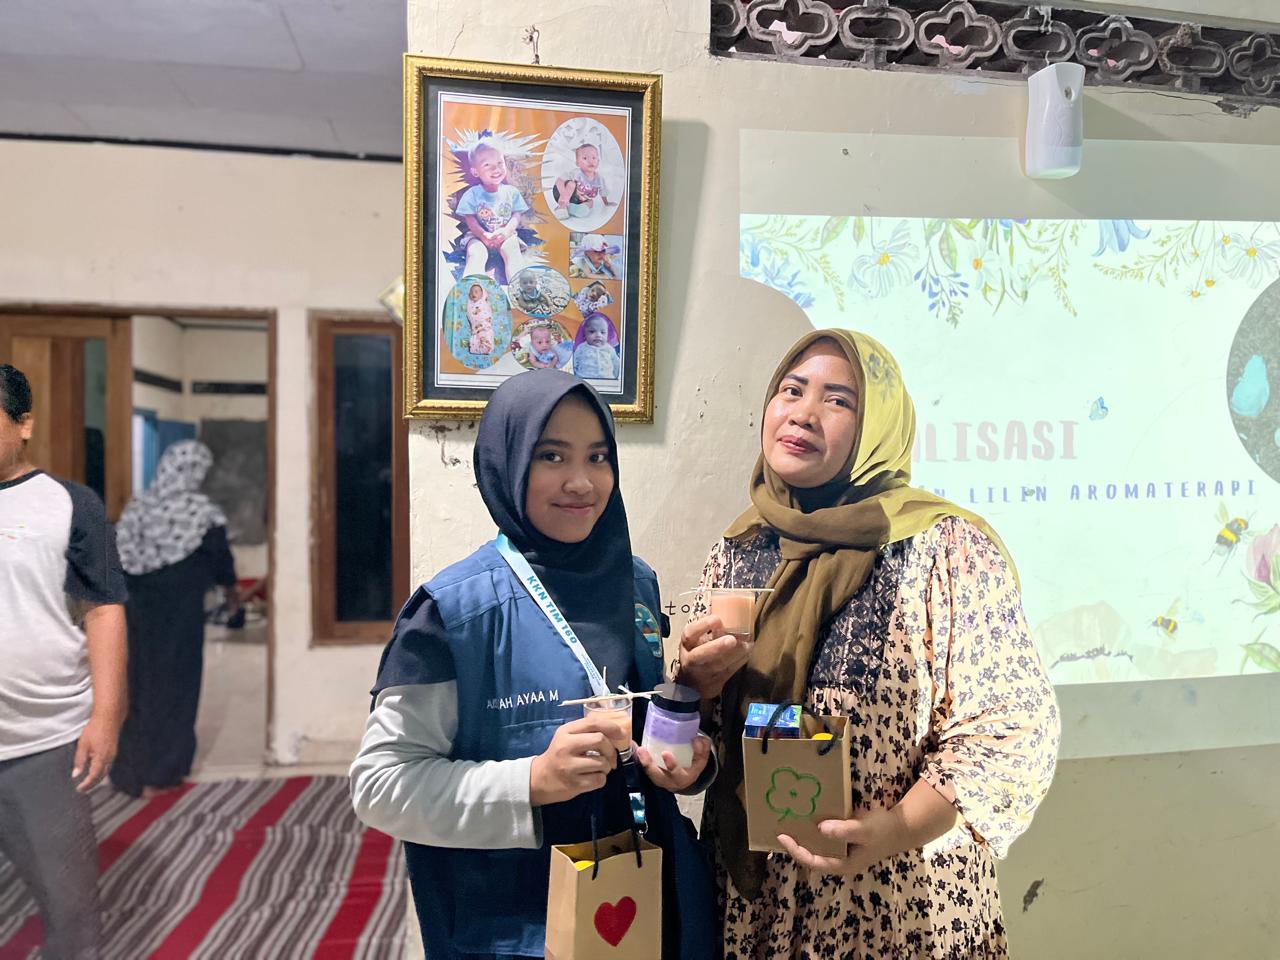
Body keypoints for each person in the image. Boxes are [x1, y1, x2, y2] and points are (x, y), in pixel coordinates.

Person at [677, 330, 1060, 958]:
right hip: (758, 903)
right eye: (791, 390)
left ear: (878, 427)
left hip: (898, 898)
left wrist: (894, 829)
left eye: (838, 400)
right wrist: (694, 690)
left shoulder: (944, 548)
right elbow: (710, 743)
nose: (804, 413)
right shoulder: (741, 548)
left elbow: (1009, 728)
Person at [350, 369, 716, 960]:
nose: (582, 481)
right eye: (551, 455)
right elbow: (381, 786)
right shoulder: (451, 615)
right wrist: (532, 782)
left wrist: (687, 764)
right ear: (508, 463)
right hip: (517, 924)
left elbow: (641, 722)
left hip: (650, 900)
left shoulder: (635, 582)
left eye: (598, 456)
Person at [0, 363, 127, 959]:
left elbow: (103, 610)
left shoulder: (69, 505)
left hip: (43, 741)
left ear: (24, 423)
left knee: (70, 910)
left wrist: (106, 716)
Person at [110, 440, 238, 798]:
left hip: (139, 609)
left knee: (140, 682)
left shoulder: (139, 506)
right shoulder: (202, 512)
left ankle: (130, 770)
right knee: (177, 685)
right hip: (181, 615)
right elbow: (222, 564)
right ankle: (165, 769)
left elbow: (118, 555)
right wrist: (231, 594)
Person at [456, 140, 529, 279]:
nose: (496, 169)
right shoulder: (472, 194)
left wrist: (507, 231)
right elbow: (470, 219)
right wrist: (483, 235)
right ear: (475, 171)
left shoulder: (511, 192)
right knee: (476, 254)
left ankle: (519, 287)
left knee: (512, 252)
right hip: (478, 235)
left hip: (505, 234)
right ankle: (471, 286)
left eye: (500, 163)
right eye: (487, 165)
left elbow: (516, 215)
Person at [553, 142, 615, 221]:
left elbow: (603, 191)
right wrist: (563, 196)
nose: (590, 161)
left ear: (598, 161)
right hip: (562, 193)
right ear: (577, 163)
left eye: (594, 158)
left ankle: (573, 209)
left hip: (578, 200)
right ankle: (561, 207)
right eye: (585, 158)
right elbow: (559, 180)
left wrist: (606, 203)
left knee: (590, 202)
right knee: (571, 184)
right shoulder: (576, 173)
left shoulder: (599, 179)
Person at [572, 313, 620, 381]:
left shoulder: (609, 349)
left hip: (607, 380)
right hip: (585, 379)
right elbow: (574, 363)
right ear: (585, 334)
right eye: (592, 332)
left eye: (602, 332)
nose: (598, 335)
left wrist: (615, 378)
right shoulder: (581, 348)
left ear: (607, 334)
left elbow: (617, 365)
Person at [466, 283, 495, 356]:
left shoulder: (484, 303)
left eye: (476, 291)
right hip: (476, 328)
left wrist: (485, 323)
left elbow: (488, 313)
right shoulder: (471, 305)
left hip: (485, 327)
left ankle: (487, 346)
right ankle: (477, 348)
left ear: (482, 293)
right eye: (471, 292)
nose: (473, 294)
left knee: (485, 337)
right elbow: (470, 315)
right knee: (476, 340)